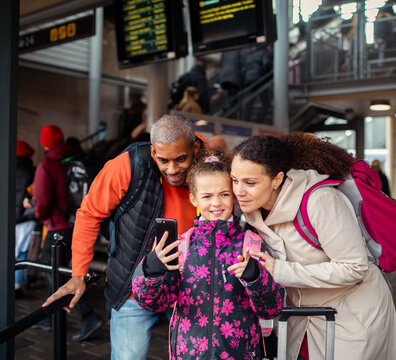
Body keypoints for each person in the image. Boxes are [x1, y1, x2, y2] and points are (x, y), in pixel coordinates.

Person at [43, 114, 204, 359]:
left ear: (194, 148)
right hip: (132, 284)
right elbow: (88, 214)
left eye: (181, 159)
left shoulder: (211, 162)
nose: (172, 169)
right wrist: (78, 275)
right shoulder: (128, 165)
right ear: (153, 151)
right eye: (163, 160)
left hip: (190, 288)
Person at [230, 134, 396, 360]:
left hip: (352, 315)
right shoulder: (254, 208)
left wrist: (280, 270)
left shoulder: (320, 200)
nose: (239, 191)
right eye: (234, 180)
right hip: (303, 319)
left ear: (277, 179)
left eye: (250, 183)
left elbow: (354, 267)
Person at [132, 149, 285, 359]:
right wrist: (150, 269)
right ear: (194, 199)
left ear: (234, 196)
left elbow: (272, 308)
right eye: (207, 196)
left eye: (224, 194)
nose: (216, 203)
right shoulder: (182, 246)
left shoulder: (252, 244)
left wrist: (255, 277)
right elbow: (153, 303)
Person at [32, 125, 103, 340]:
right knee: (56, 272)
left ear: (44, 143)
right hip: (73, 226)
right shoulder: (71, 163)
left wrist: (40, 215)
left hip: (56, 228)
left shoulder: (46, 167)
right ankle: (48, 317)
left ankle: (88, 316)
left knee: (57, 276)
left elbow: (42, 202)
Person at [14, 140, 37, 297]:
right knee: (22, 252)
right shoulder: (33, 171)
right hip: (26, 217)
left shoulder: (5, 166)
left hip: (8, 217)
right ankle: (17, 284)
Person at [242, 45, 272, 123]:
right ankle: (258, 121)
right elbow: (266, 64)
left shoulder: (250, 56)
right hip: (258, 79)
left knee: (249, 102)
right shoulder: (263, 53)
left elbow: (243, 69)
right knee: (266, 102)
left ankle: (245, 120)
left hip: (248, 81)